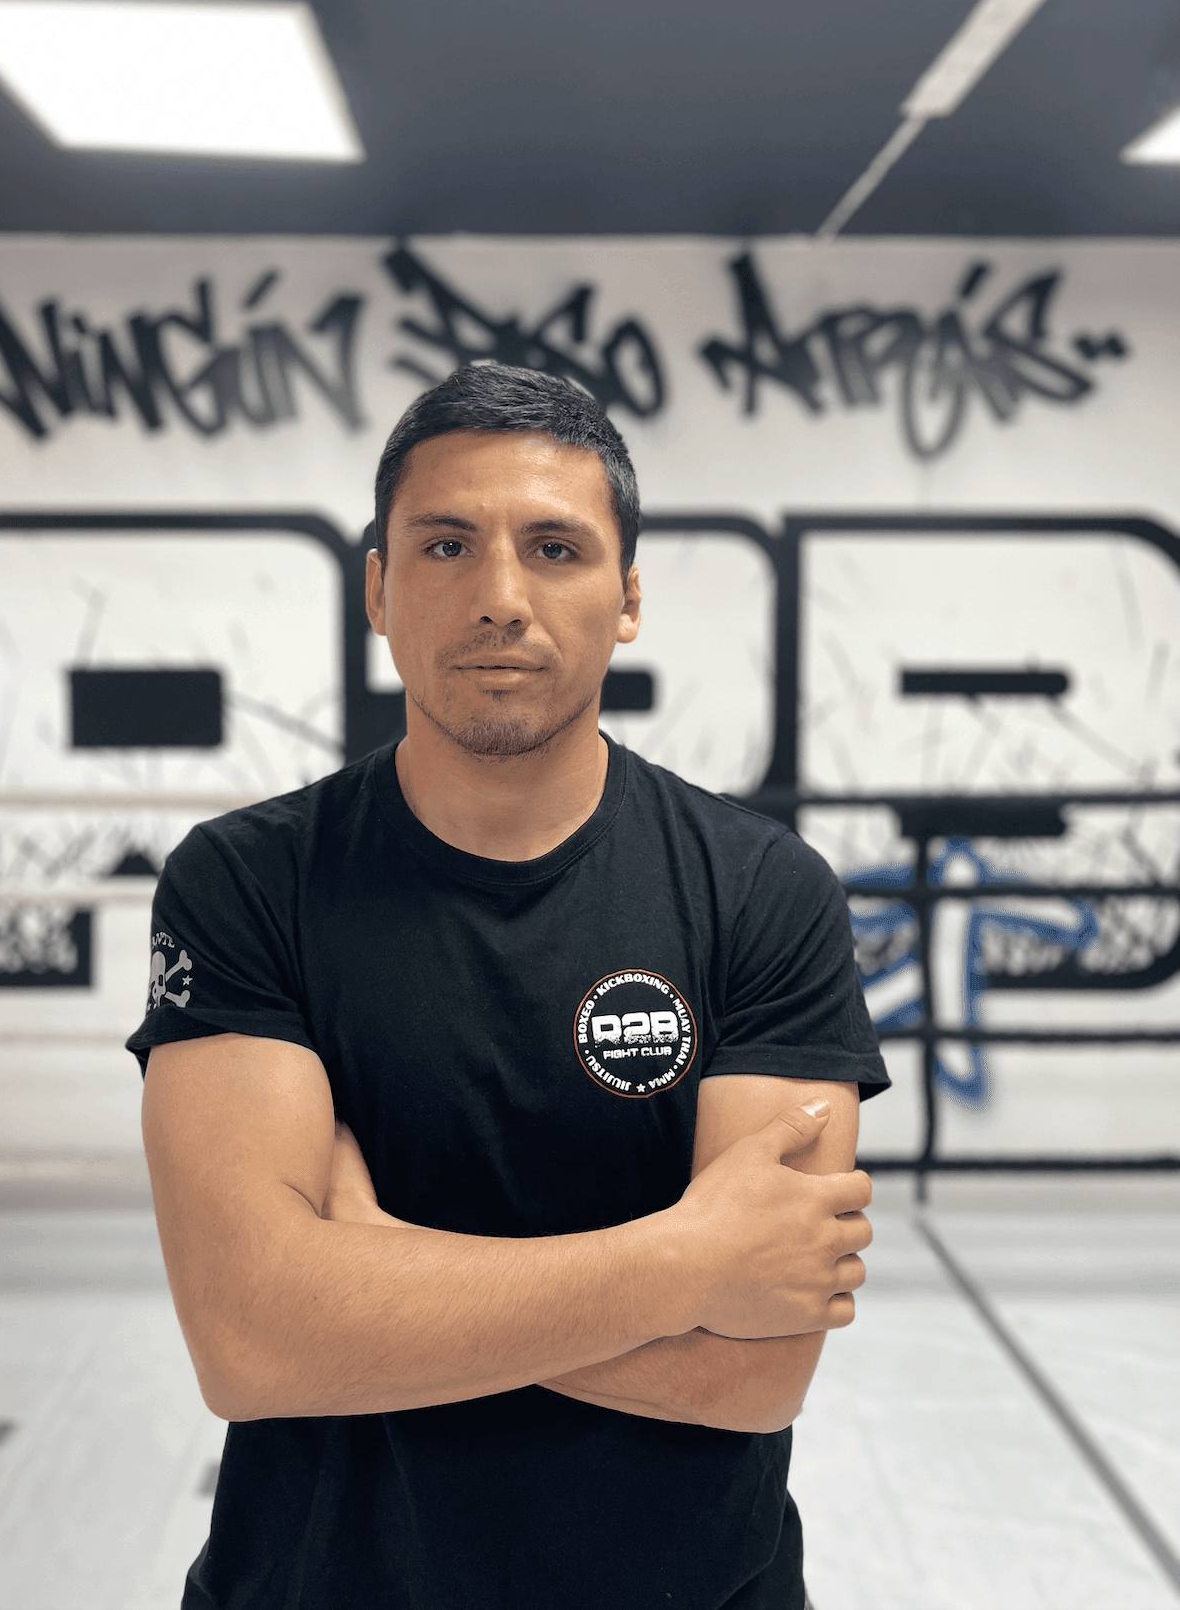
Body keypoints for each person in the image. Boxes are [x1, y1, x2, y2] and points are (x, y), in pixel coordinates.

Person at [128, 361, 890, 1610]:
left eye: (554, 547)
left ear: (627, 596)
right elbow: (254, 1343)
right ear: (376, 588)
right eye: (442, 546)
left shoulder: (762, 890)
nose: (499, 598)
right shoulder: (248, 882)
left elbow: (753, 1373)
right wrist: (688, 1260)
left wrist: (365, 1269)